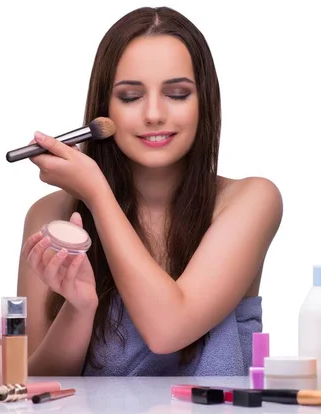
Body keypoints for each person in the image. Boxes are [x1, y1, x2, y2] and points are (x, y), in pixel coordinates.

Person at [16, 6, 283, 377]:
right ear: (103, 109)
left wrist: (97, 192)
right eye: (130, 97)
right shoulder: (51, 216)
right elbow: (36, 386)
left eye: (176, 93)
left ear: (204, 102)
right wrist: (78, 310)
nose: (154, 114)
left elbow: (168, 329)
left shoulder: (252, 201)